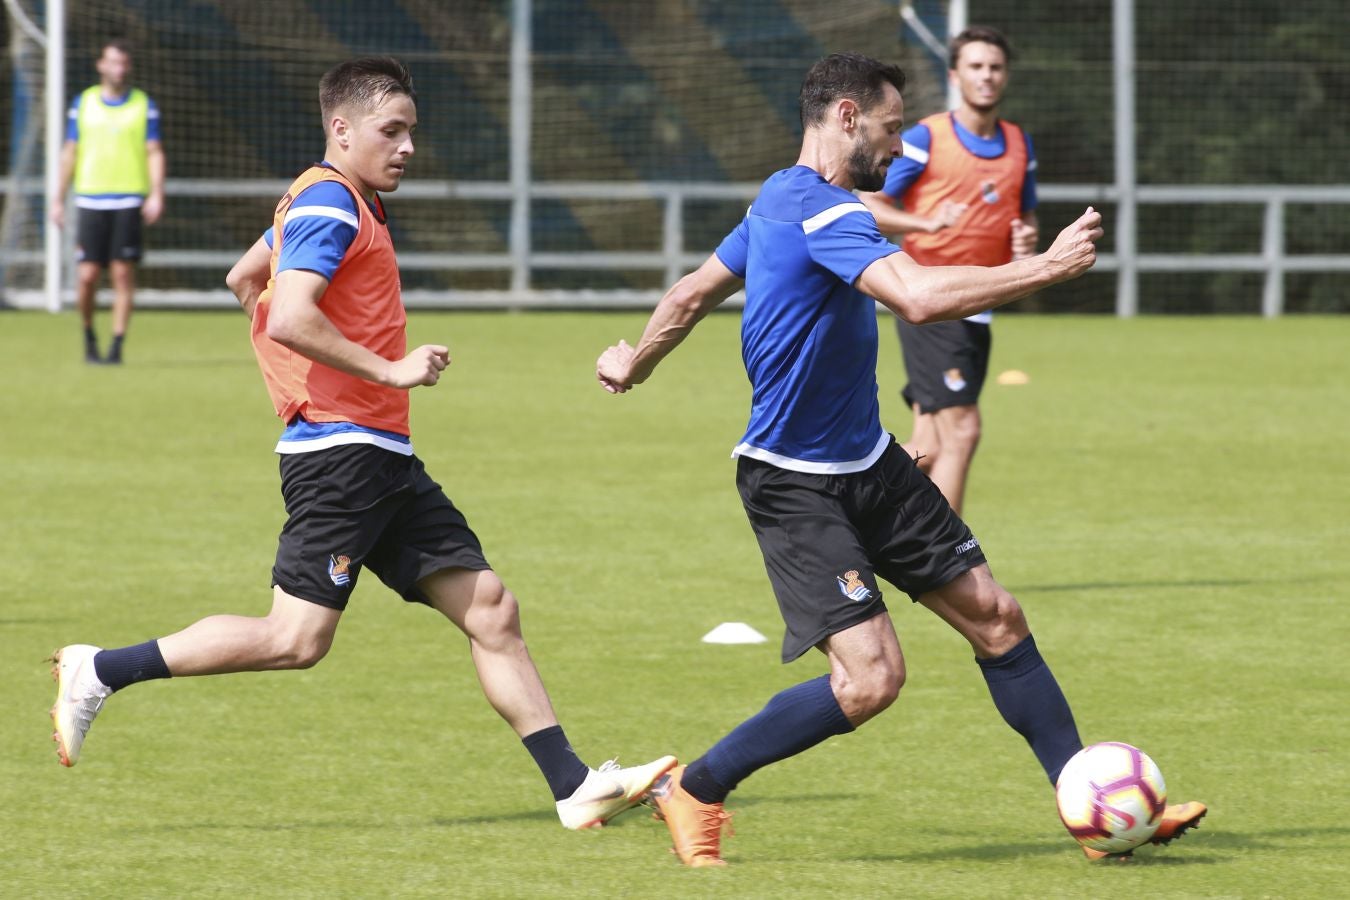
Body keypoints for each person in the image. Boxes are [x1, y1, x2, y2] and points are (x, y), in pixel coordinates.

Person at [595, 52, 1204, 866]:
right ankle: (697, 787)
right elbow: (915, 297)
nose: (899, 145)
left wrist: (635, 361)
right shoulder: (823, 211)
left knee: (998, 617)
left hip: (870, 462)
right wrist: (1047, 268)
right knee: (870, 680)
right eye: (889, 128)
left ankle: (1090, 809)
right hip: (793, 484)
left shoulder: (779, 196)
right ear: (847, 116)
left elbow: (689, 294)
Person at [49, 57, 674, 831]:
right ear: (340, 130)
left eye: (411, 130)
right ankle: (98, 669)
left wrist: (306, 376)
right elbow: (286, 313)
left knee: (491, 609)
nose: (408, 146)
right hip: (343, 457)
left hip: (376, 453)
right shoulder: (333, 205)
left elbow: (248, 278)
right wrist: (386, 370)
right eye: (392, 130)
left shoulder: (327, 199)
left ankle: (572, 786)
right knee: (296, 638)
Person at [858, 26, 1038, 515]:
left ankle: (847, 500)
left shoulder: (1020, 144)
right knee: (963, 429)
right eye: (976, 66)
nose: (987, 76)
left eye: (995, 67)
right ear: (956, 75)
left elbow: (1024, 216)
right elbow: (867, 204)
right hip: (932, 299)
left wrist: (1025, 238)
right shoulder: (924, 140)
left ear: (1006, 76)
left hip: (979, 304)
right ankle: (951, 563)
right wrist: (924, 221)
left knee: (929, 444)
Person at [51, 38, 166, 365]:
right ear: (101, 64)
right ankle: (88, 332)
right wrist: (58, 198)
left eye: (123, 63)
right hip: (89, 199)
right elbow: (69, 152)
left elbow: (153, 151)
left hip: (128, 199)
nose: (118, 69)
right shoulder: (84, 103)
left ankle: (116, 345)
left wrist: (156, 192)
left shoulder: (144, 104)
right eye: (112, 62)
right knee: (86, 276)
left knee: (121, 274)